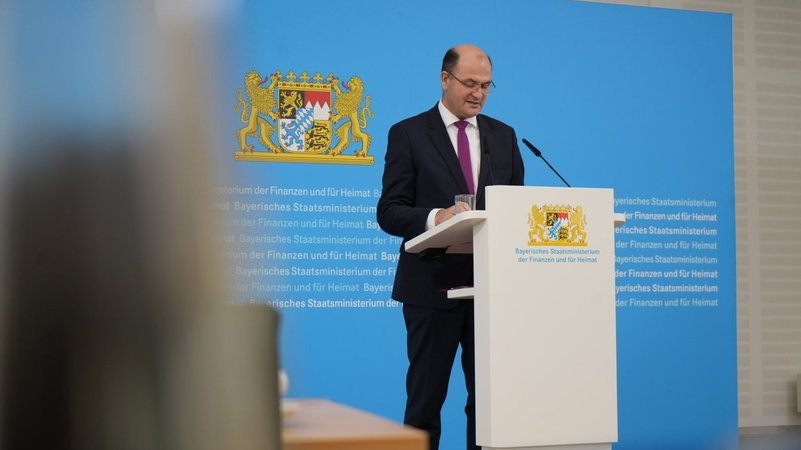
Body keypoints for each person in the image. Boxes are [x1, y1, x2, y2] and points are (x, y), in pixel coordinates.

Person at [376, 44, 525, 450]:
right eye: (470, 83)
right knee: (425, 404)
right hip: (431, 288)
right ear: (445, 79)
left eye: (486, 85)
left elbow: (516, 209)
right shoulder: (408, 134)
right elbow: (389, 211)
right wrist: (435, 218)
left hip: (489, 291)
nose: (478, 94)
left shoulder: (504, 136)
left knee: (489, 404)